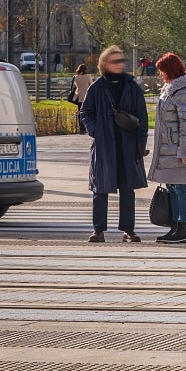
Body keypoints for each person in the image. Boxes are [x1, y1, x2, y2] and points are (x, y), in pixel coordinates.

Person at [80, 46, 148, 243]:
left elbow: (142, 118)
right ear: (104, 64)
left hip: (127, 144)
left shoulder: (132, 87)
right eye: (115, 61)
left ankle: (128, 230)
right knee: (100, 188)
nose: (120, 64)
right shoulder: (97, 87)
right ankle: (98, 229)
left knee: (128, 189)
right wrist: (95, 131)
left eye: (121, 60)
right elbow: (86, 112)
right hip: (104, 145)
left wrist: (140, 144)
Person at [148, 52, 186, 244]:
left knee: (180, 189)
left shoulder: (183, 92)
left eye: (162, 71)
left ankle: (183, 229)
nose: (160, 74)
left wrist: (185, 150)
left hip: (176, 149)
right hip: (167, 148)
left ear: (170, 70)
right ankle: (175, 227)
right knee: (173, 188)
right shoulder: (170, 90)